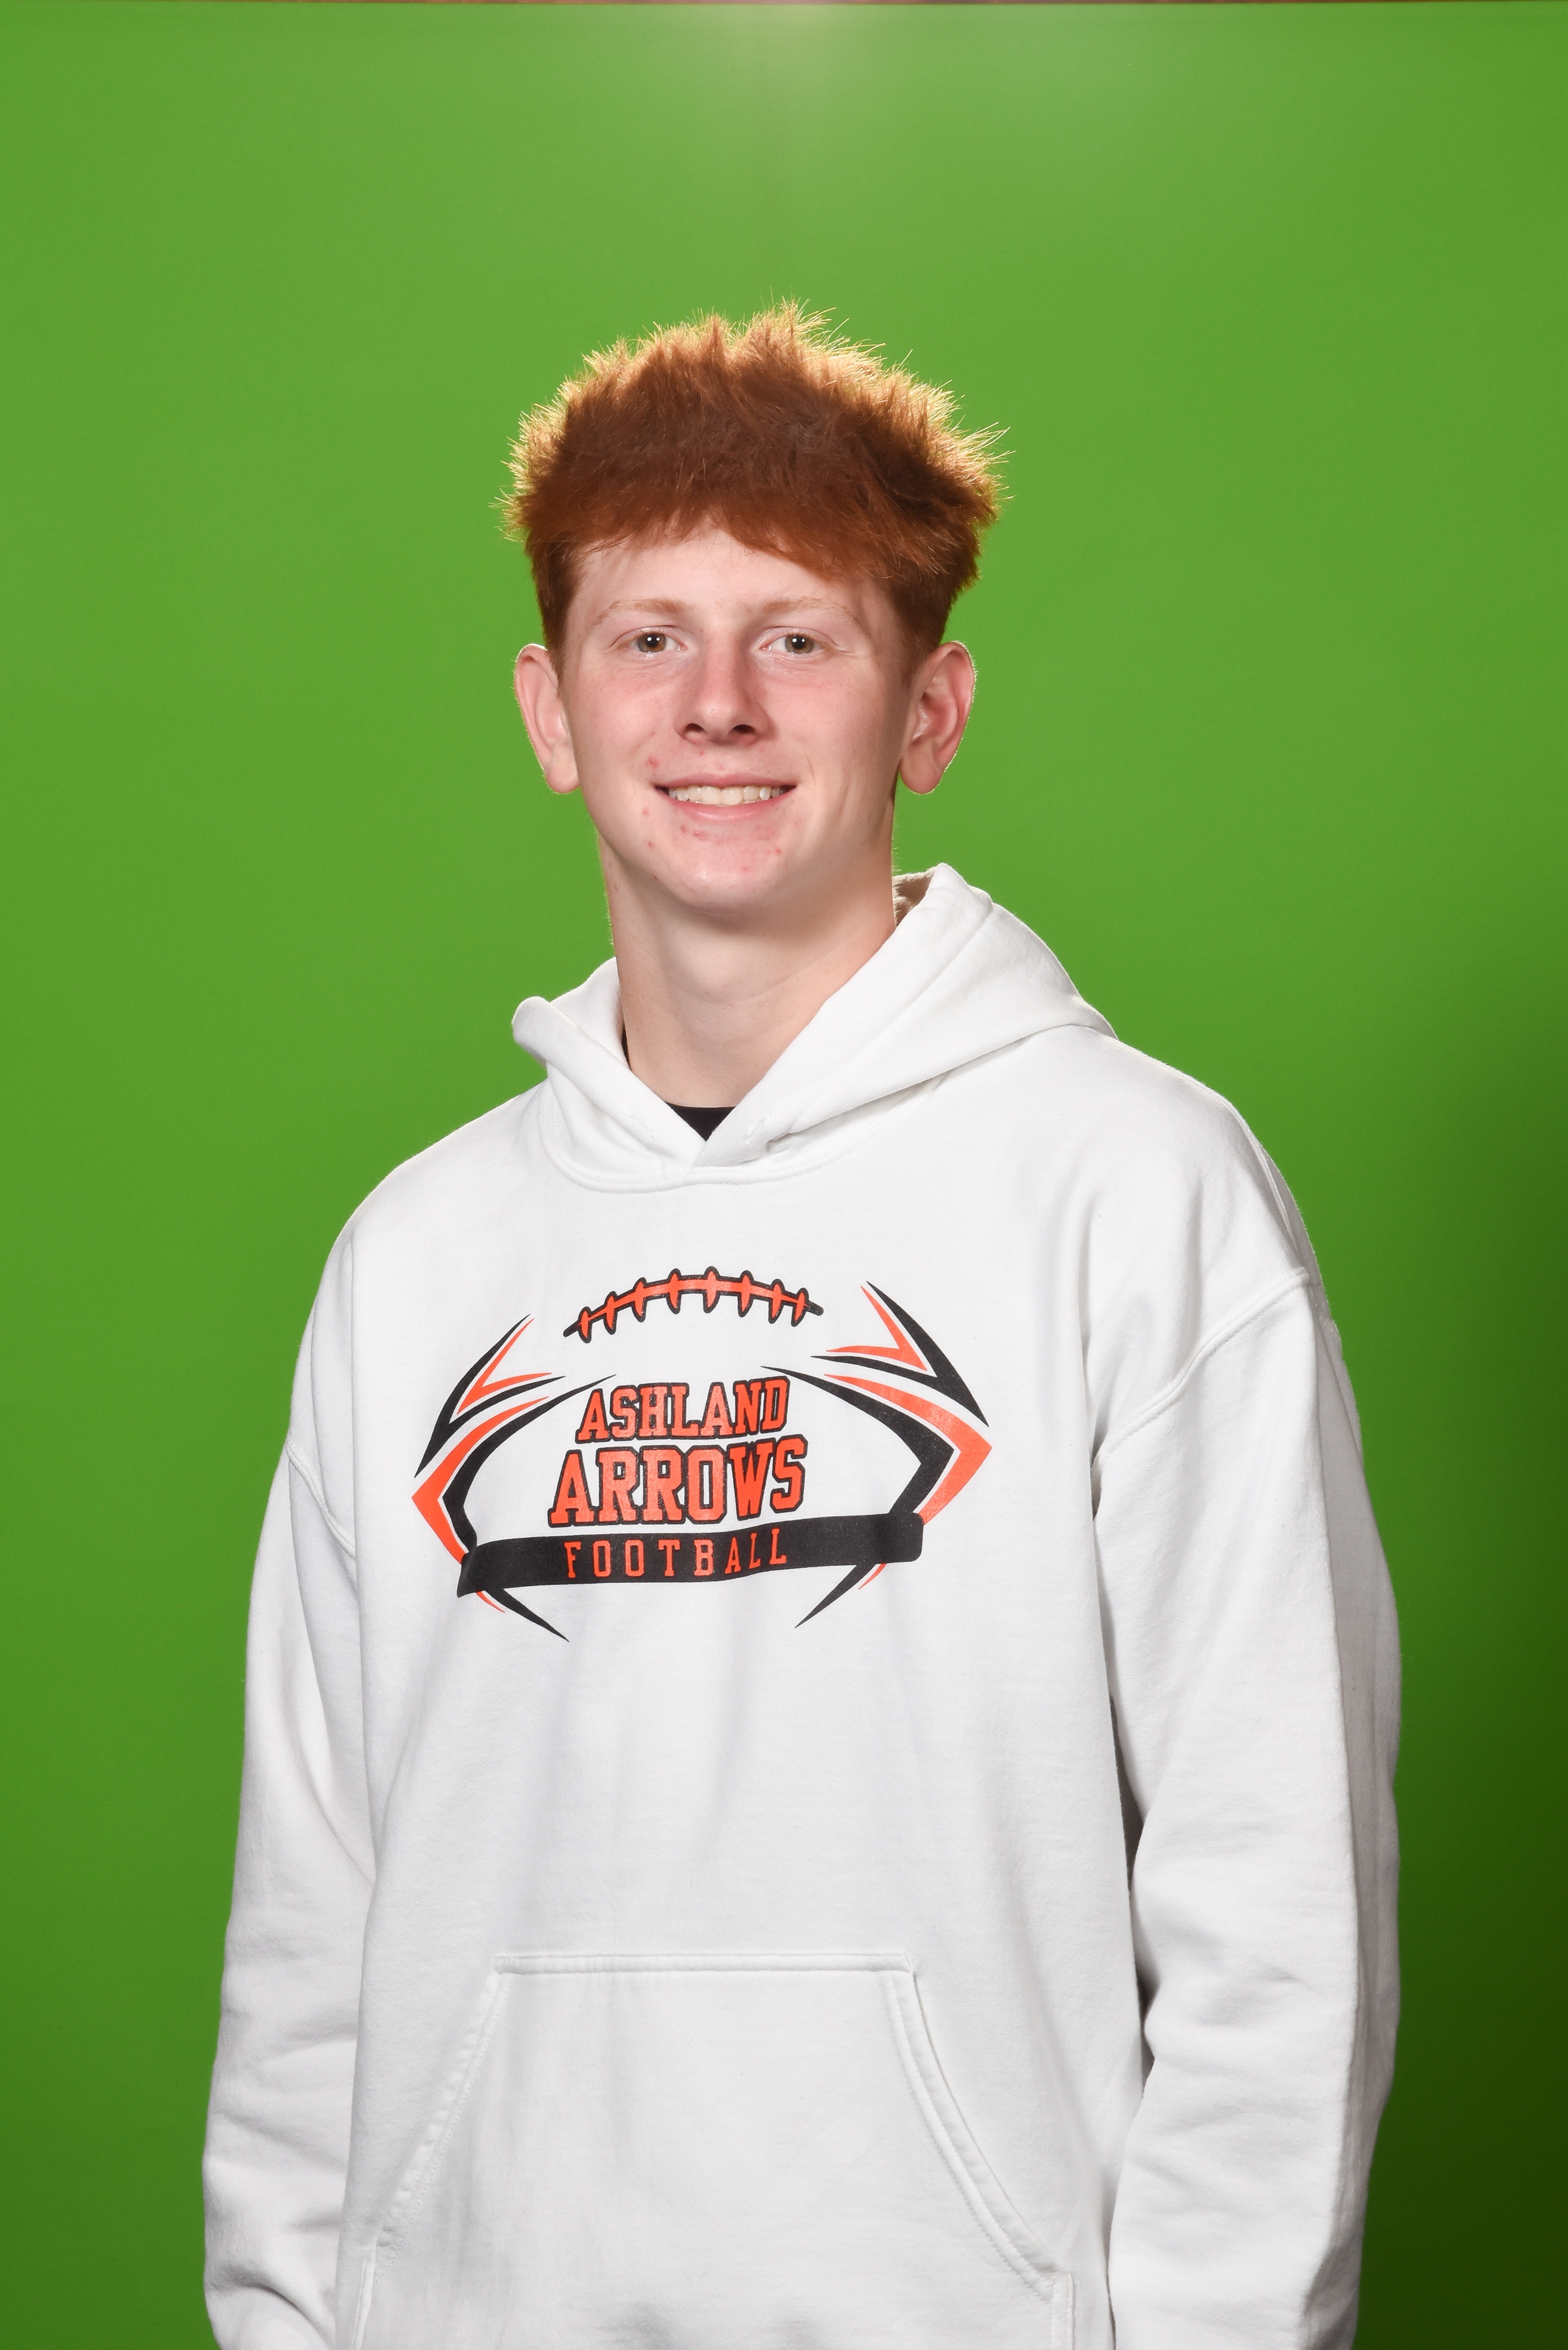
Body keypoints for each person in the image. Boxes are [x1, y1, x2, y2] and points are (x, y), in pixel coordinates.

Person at [203, 306, 1399, 2350]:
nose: (719, 706)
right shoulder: (415, 1255)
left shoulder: (1138, 1192)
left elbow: (1279, 1903)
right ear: (551, 708)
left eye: (799, 637)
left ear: (929, 708)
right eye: (648, 636)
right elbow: (312, 1912)